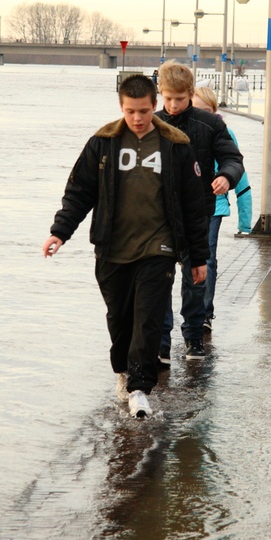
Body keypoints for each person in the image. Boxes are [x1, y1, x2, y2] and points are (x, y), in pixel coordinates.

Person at [43, 73, 209, 419]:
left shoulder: (176, 145)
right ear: (121, 107)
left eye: (145, 111)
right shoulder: (102, 143)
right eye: (131, 111)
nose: (138, 119)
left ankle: (139, 387)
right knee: (119, 319)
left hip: (158, 248)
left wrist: (198, 257)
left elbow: (194, 206)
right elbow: (79, 193)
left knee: (148, 319)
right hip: (112, 247)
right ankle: (123, 372)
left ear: (155, 107)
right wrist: (60, 231)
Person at [155, 62, 245, 362]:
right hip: (160, 217)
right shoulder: (152, 125)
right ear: (160, 94)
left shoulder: (209, 125)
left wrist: (226, 177)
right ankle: (161, 343)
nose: (173, 105)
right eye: (167, 98)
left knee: (195, 276)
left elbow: (233, 158)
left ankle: (194, 337)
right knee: (159, 278)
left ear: (190, 94)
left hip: (198, 213)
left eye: (179, 99)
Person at [191, 86, 252, 332]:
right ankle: (191, 308)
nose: (201, 115)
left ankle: (205, 312)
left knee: (208, 258)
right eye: (196, 110)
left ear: (215, 111)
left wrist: (245, 221)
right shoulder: (182, 131)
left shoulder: (225, 134)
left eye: (205, 111)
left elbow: (240, 173)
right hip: (186, 206)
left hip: (214, 206)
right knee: (185, 260)